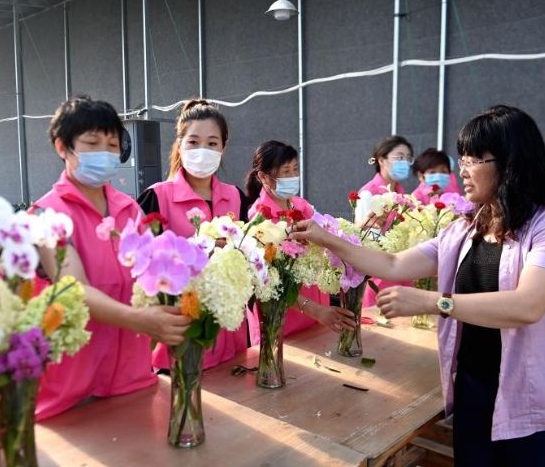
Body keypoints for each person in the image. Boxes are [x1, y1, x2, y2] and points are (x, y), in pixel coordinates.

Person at [292, 105, 545, 467]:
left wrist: (437, 302)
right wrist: (327, 239)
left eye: (474, 159)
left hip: (535, 397)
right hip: (476, 391)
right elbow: (392, 263)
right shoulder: (466, 228)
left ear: (511, 163)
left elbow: (527, 306)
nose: (461, 170)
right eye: (461, 158)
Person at [32, 96, 191, 420]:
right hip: (74, 391)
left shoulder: (129, 209)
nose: (105, 154)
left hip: (133, 377)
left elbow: (153, 277)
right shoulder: (46, 214)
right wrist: (143, 321)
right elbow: (74, 289)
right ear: (63, 147)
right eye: (92, 143)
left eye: (112, 145)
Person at [137, 99, 252, 370]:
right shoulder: (156, 197)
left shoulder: (236, 197)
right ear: (180, 144)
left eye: (212, 143)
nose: (203, 150)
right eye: (193, 142)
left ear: (223, 147)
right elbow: (142, 269)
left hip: (228, 332)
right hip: (180, 332)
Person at [244, 140, 355, 341]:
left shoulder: (301, 207)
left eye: (295, 169)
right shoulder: (259, 219)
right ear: (263, 177)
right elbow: (268, 280)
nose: (293, 177)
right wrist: (315, 310)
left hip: (316, 314)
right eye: (285, 171)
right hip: (282, 320)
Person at [357, 135, 415, 308]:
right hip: (379, 275)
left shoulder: (404, 196)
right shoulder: (368, 194)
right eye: (399, 158)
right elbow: (365, 241)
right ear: (382, 160)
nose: (404, 162)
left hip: (404, 272)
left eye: (407, 158)